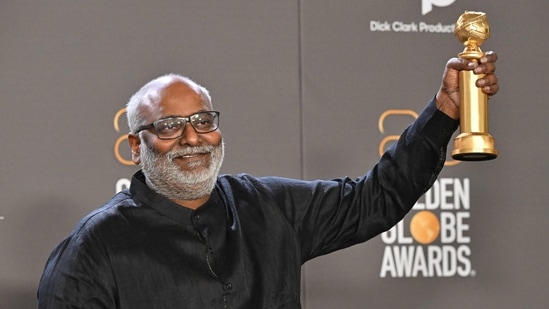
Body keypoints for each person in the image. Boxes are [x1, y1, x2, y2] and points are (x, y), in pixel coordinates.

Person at [37, 52, 499, 308]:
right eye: (168, 126)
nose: (192, 138)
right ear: (136, 147)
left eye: (203, 120)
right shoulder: (91, 251)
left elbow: (374, 199)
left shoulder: (268, 207)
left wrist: (444, 112)